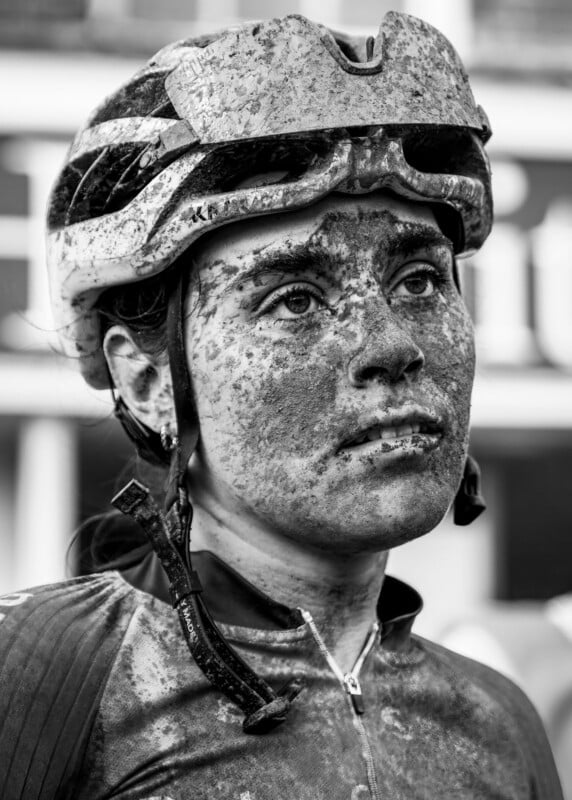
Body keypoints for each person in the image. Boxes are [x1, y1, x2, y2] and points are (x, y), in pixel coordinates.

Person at [0, 11, 564, 800]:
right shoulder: (32, 678)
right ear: (148, 382)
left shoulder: (499, 724)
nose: (389, 345)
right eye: (295, 299)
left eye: (420, 281)